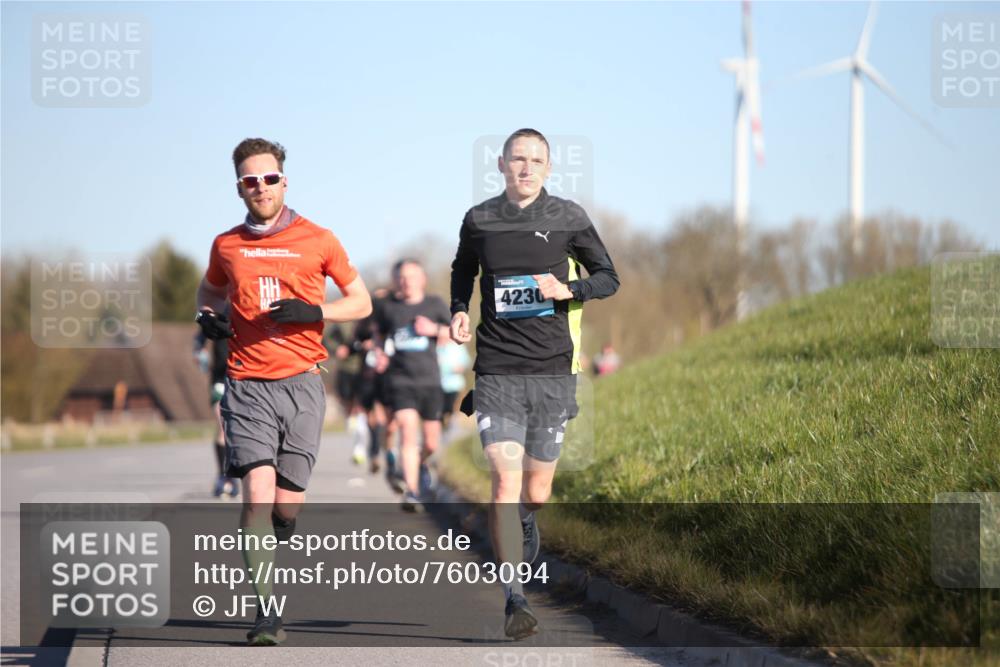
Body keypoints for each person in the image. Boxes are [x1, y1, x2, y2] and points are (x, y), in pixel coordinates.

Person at [196, 137, 371, 646]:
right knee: (256, 492)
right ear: (239, 188)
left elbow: (359, 302)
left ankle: (281, 525)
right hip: (246, 384)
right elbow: (209, 291)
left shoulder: (319, 239)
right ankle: (267, 612)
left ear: (284, 181)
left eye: (269, 178)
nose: (261, 187)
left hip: (302, 385)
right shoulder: (226, 245)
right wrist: (207, 318)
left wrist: (316, 312)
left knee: (286, 505)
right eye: (251, 180)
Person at [449, 128, 619, 639]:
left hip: (551, 369)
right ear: (501, 164)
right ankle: (515, 598)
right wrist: (459, 310)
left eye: (536, 160)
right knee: (503, 478)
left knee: (536, 491)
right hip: (497, 368)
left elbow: (608, 276)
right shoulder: (479, 219)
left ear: (548, 168)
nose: (526, 167)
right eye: (517, 159)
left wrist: (568, 288)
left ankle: (526, 517)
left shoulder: (568, 216)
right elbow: (462, 270)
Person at [373, 259, 451, 512]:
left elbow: (456, 333)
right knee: (407, 430)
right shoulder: (389, 308)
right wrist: (380, 353)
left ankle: (420, 463)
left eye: (411, 276)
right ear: (396, 280)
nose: (406, 282)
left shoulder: (435, 304)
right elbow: (379, 334)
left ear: (422, 278)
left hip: (430, 380)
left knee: (430, 443)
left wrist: (434, 328)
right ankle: (413, 492)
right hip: (400, 380)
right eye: (401, 277)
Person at [193, 323, 238, 498]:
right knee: (223, 425)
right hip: (220, 379)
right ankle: (224, 476)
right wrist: (198, 351)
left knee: (238, 430)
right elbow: (200, 333)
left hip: (245, 378)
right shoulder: (219, 310)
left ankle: (240, 474)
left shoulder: (251, 308)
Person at [437, 329, 471, 433]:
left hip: (454, 385)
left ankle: (449, 427)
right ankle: (441, 426)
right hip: (438, 385)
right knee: (439, 409)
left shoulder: (456, 347)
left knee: (450, 408)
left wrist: (457, 368)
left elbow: (465, 362)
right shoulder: (436, 347)